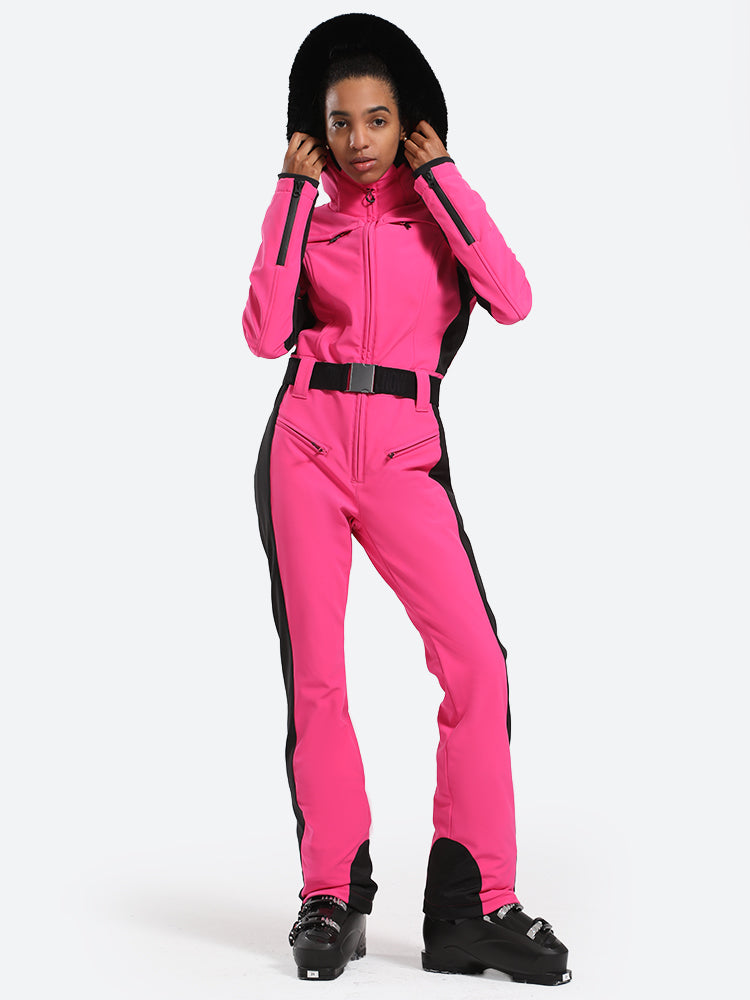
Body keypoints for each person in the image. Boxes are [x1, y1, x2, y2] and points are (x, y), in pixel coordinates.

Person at [242, 13, 571, 986]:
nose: (358, 139)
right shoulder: (310, 213)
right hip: (304, 448)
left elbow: (512, 297)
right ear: (317, 129)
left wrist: (444, 178)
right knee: (318, 678)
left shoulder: (437, 213)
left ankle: (473, 907)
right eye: (340, 121)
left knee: (477, 666)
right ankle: (330, 897)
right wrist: (289, 195)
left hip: (404, 457)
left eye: (377, 119)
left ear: (407, 123)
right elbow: (263, 333)